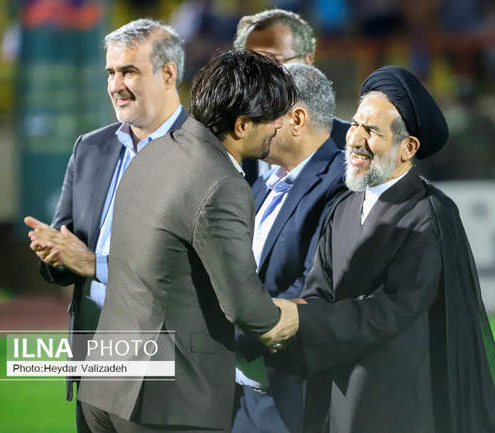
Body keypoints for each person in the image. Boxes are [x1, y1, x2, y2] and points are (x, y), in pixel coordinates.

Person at [264, 66, 495, 433]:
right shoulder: (342, 208)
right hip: (338, 396)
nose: (355, 140)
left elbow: (392, 308)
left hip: (400, 404)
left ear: (408, 147)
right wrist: (283, 316)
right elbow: (319, 292)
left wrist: (301, 320)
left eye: (373, 131)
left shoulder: (429, 213)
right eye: (355, 125)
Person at [77, 50, 300, 433]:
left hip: (105, 384)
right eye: (273, 118)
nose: (279, 127)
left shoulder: (155, 151)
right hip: (165, 404)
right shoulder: (222, 182)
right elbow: (244, 305)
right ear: (242, 125)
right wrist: (293, 319)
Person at [23, 18, 188, 433]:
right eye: (111, 72)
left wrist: (93, 263)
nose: (116, 85)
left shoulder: (205, 152)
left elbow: (194, 268)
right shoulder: (91, 147)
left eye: (129, 71)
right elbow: (67, 245)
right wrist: (55, 254)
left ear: (168, 74)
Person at [232, 64, 346, 433]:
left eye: (260, 113)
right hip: (244, 394)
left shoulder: (342, 184)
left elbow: (314, 287)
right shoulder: (264, 184)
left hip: (295, 400)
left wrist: (221, 330)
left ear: (297, 119)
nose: (247, 125)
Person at [233, 8, 350, 183]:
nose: (262, 75)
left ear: (308, 62)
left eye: (274, 61)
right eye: (250, 64)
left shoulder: (351, 147)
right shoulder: (229, 148)